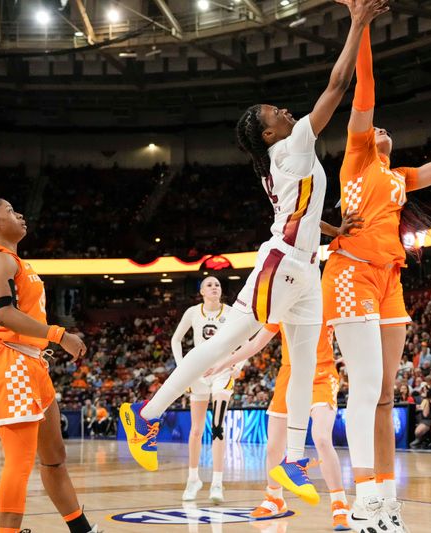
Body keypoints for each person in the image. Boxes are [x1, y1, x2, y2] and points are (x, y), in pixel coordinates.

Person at [118, 0, 389, 509]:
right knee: (224, 346)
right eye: (276, 114)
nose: (286, 111)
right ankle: (147, 414)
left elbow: (301, 210)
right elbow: (336, 87)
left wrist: (333, 227)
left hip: (306, 265)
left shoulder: (286, 156)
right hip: (282, 263)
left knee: (305, 362)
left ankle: (290, 458)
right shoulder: (292, 146)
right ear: (269, 134)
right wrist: (357, 22)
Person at [319, 18, 431, 530]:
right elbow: (364, 88)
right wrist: (362, 22)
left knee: (386, 394)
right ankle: (362, 501)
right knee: (365, 389)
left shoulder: (399, 178)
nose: (382, 129)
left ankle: (387, 499)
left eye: (387, 130)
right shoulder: (355, 161)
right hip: (350, 273)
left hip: (389, 280)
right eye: (377, 128)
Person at [0, 196, 100, 533]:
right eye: (12, 211)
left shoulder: (14, 259)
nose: (20, 215)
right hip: (9, 361)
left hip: (32, 364)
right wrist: (59, 334)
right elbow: (5, 314)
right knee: (20, 461)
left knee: (55, 457)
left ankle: (82, 530)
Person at [208, 321, 350, 530]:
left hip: (321, 373)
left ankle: (340, 505)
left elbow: (348, 330)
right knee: (273, 444)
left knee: (321, 437)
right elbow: (257, 342)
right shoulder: (283, 304)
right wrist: (227, 362)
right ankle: (274, 498)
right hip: (289, 373)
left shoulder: (326, 296)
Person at [171, 276, 240, 504]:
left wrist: (237, 365)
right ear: (201, 291)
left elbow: (245, 339)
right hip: (198, 373)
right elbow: (176, 339)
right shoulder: (192, 312)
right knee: (196, 430)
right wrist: (183, 367)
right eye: (209, 285)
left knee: (218, 426)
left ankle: (217, 483)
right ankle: (193, 479)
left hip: (222, 371)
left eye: (217, 285)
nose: (214, 287)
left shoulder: (231, 312)